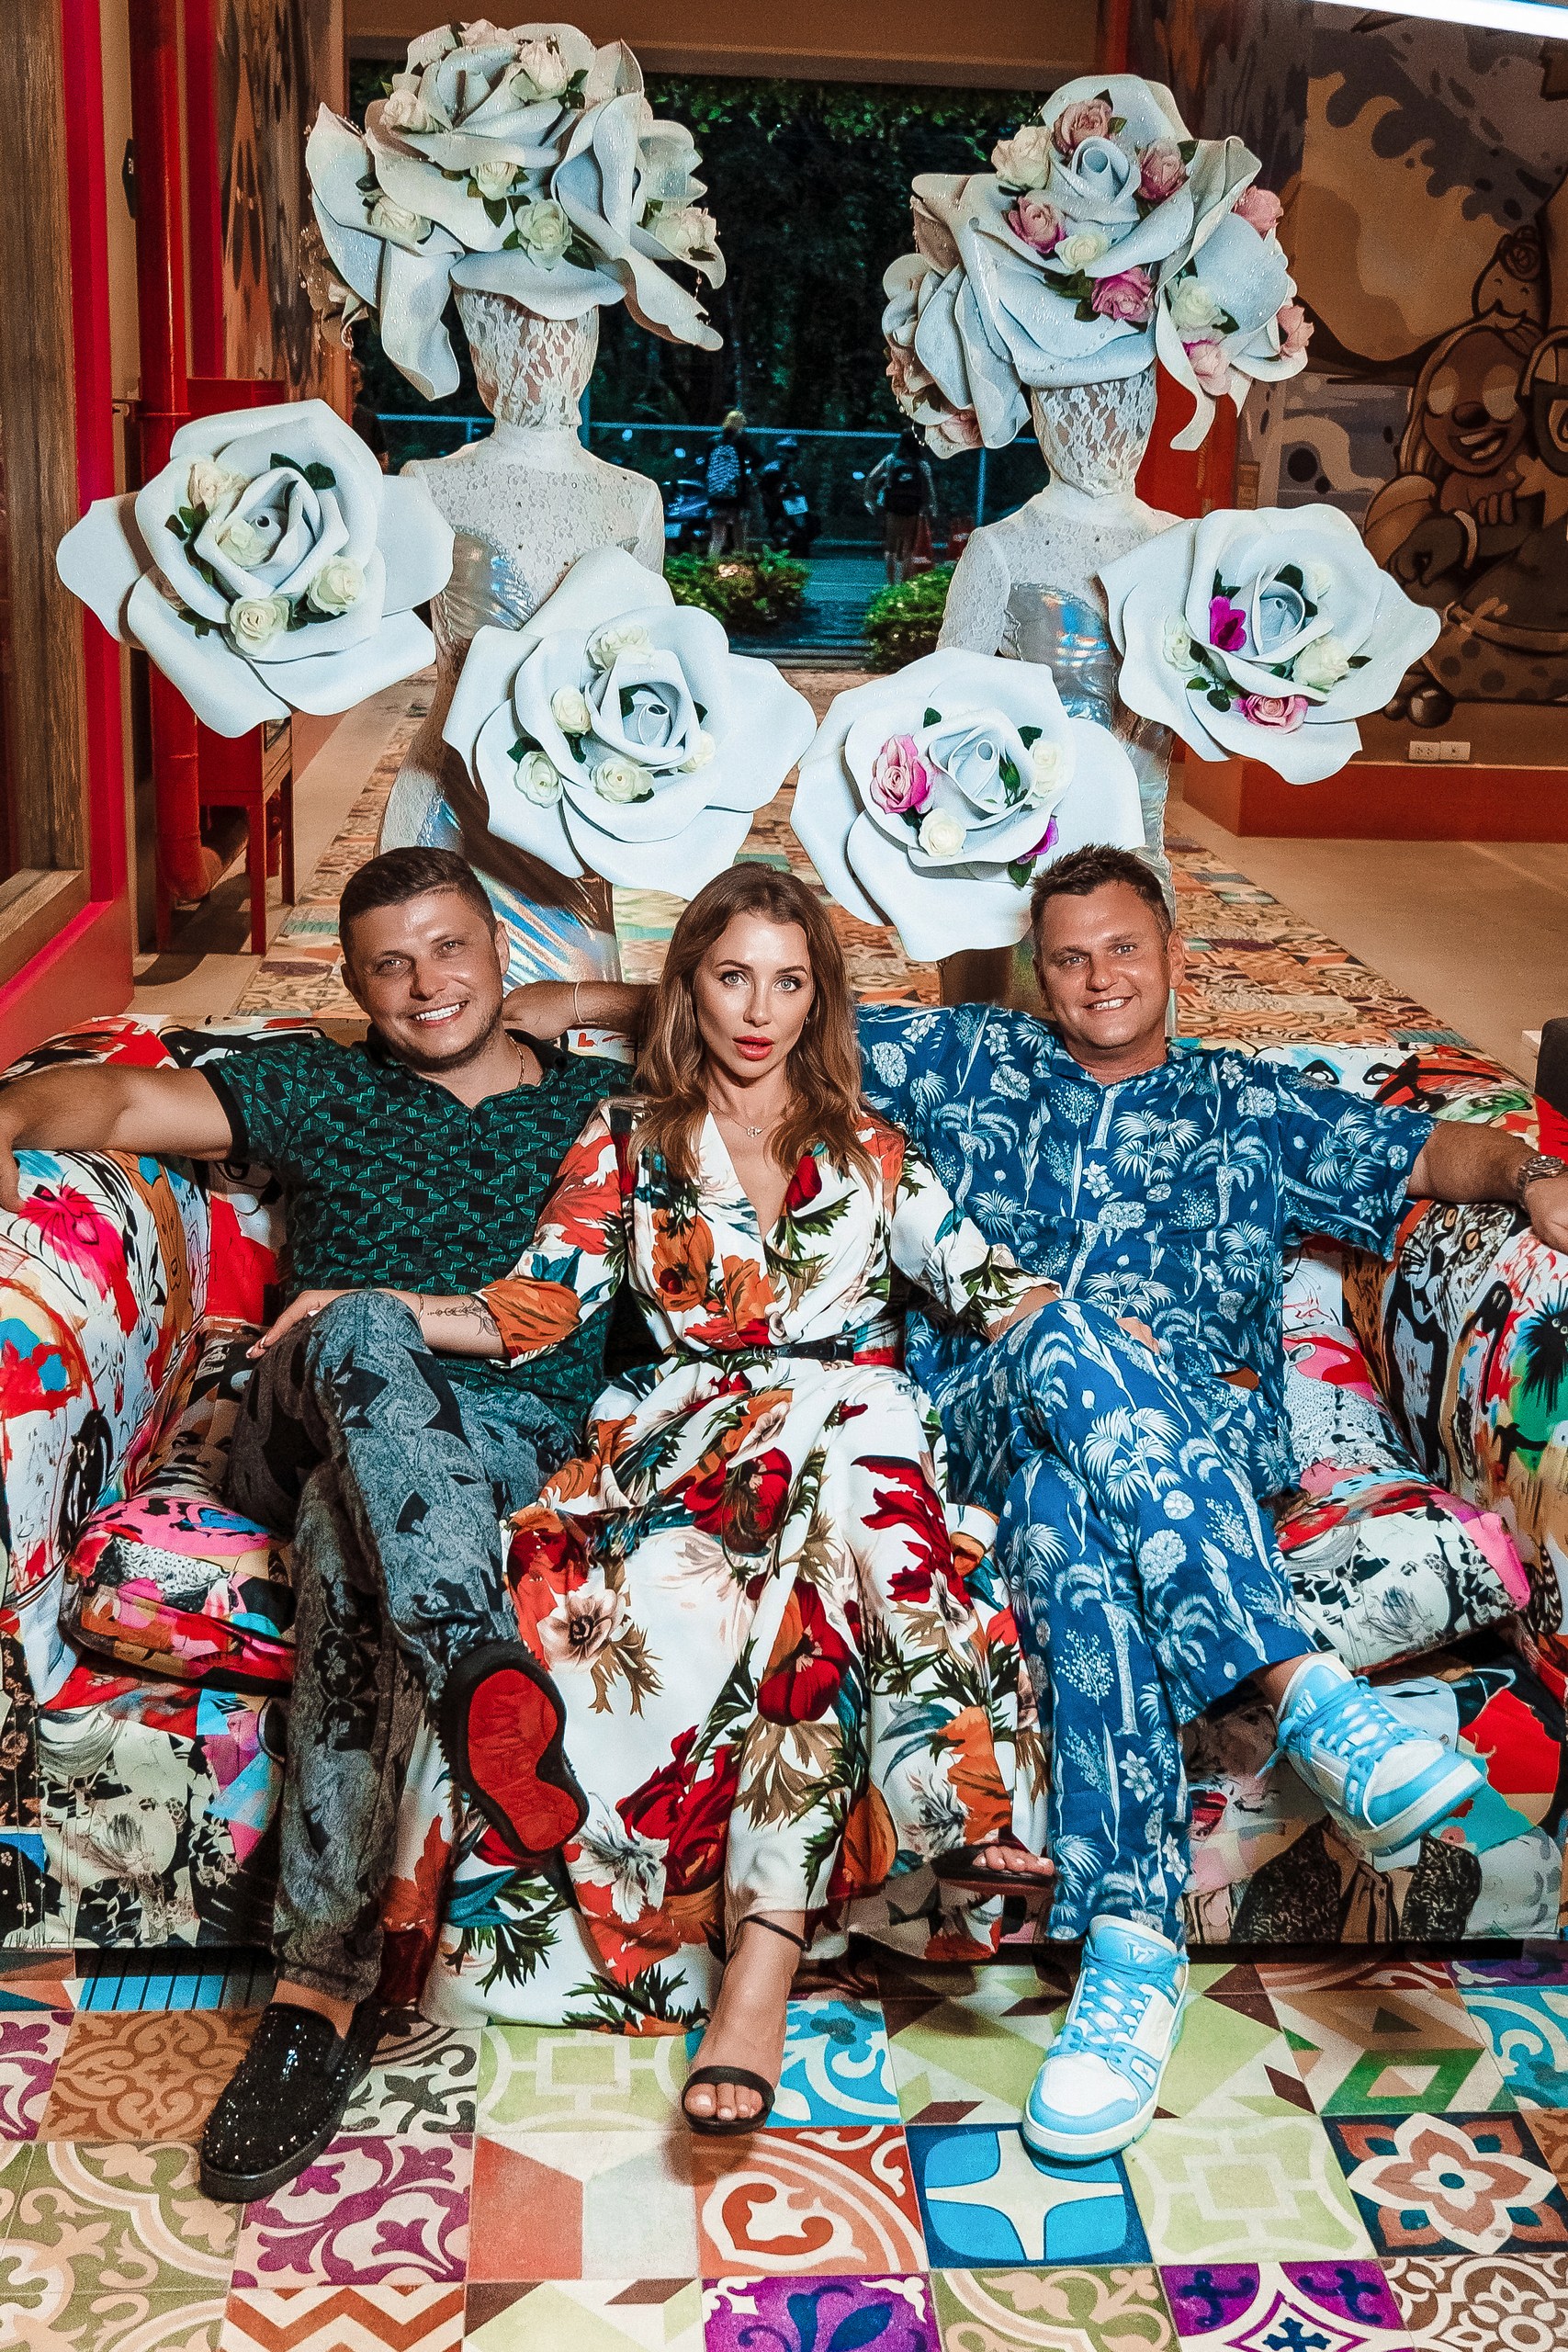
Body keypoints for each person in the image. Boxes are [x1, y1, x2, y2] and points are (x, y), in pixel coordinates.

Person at [504, 842, 1568, 2162]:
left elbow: (1428, 1150)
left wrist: (1530, 1177)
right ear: (1035, 973)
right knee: (1062, 1340)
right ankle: (1305, 1695)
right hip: (989, 1407)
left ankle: (1129, 1955)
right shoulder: (968, 1060)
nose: (1096, 978)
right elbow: (762, 1003)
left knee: (1072, 1515)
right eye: (1066, 957)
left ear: (1175, 956)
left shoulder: (1250, 1101)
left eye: (1122, 949)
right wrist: (576, 1005)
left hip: (1184, 1443)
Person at [261, 865, 1055, 2133]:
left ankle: (761, 1977)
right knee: (855, 1442)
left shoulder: (874, 1152)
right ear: (691, 986)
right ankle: (954, 1793)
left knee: (854, 1441)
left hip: (840, 1445)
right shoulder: (627, 1136)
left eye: (788, 982)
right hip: (685, 1444)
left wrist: (1119, 1356)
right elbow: (533, 1309)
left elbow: (993, 1290)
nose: (760, 1010)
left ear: (818, 999)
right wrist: (368, 1308)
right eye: (733, 976)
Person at [0, 846, 642, 2201]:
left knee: (359, 1540)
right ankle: (472, 1659)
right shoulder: (320, 1086)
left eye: (451, 948)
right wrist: (2, 1115)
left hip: (500, 1435)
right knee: (357, 1327)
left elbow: (764, 999)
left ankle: (312, 2008)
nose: (426, 984)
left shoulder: (590, 1103)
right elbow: (114, 1095)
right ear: (351, 983)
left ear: (501, 952)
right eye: (389, 964)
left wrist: (585, 999)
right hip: (308, 1402)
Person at [865, 425, 935, 585]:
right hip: (912, 508)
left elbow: (871, 477)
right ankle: (904, 582)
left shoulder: (891, 460)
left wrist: (869, 500)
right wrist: (932, 505)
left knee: (891, 546)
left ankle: (891, 583)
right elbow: (929, 487)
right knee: (909, 546)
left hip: (893, 507)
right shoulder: (921, 463)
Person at [705, 410, 759, 556]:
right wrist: (746, 470)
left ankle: (711, 564)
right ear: (740, 425)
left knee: (717, 536)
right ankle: (741, 564)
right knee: (739, 534)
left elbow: (706, 468)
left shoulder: (712, 442)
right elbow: (758, 458)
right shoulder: (740, 442)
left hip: (716, 495)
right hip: (736, 494)